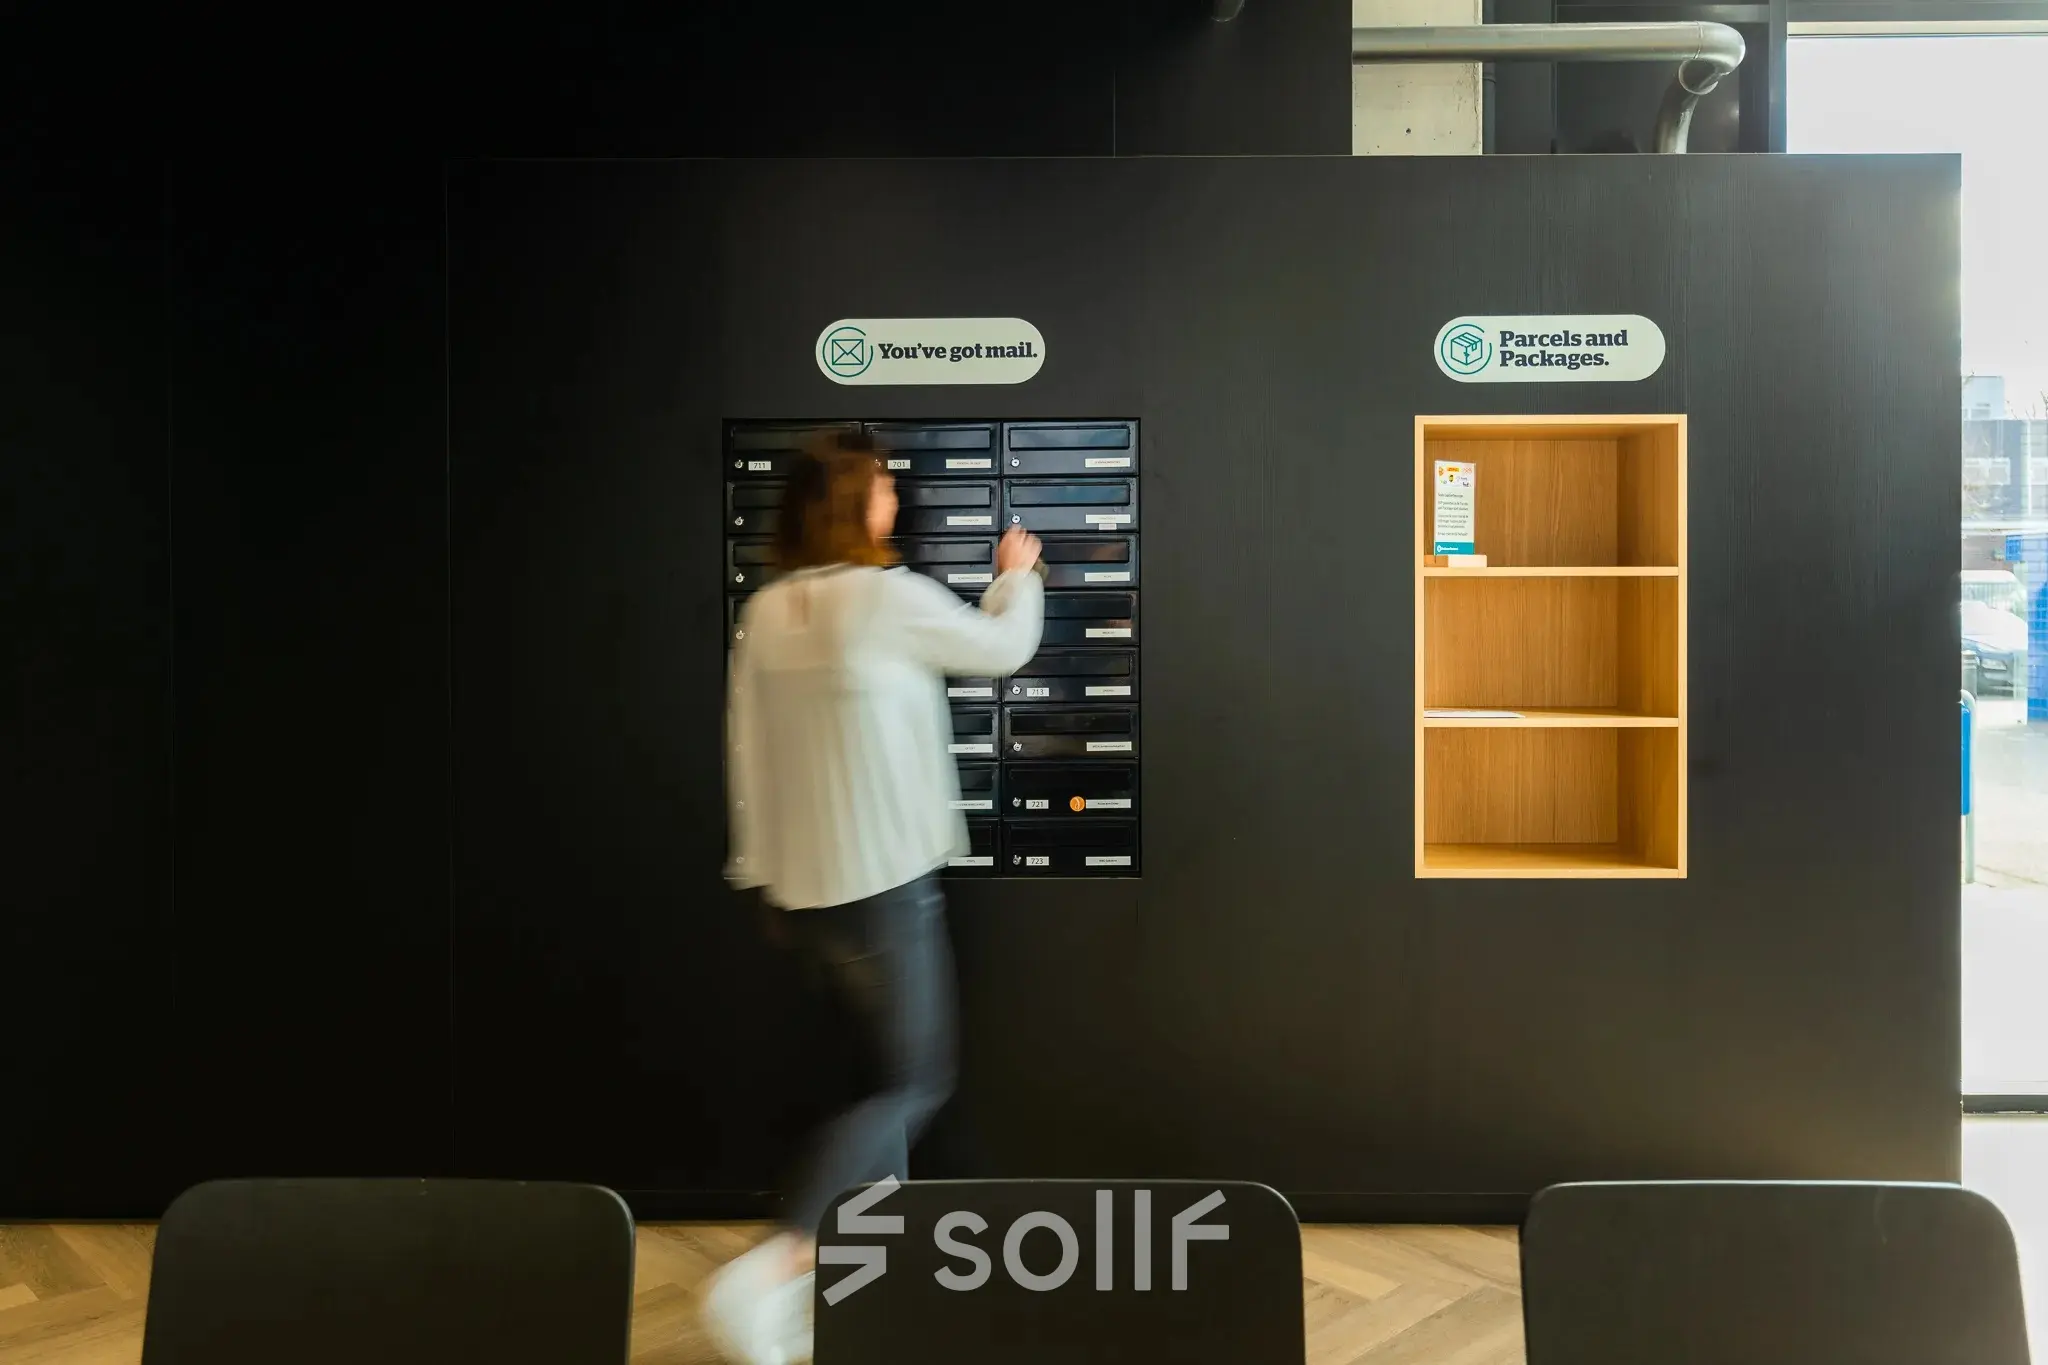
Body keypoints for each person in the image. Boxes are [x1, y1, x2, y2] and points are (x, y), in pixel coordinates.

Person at [701, 430, 1044, 1365]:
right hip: (886, 888)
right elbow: (1002, 648)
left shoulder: (768, 611)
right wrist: (1014, 574)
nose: (895, 499)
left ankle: (861, 1285)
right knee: (913, 1080)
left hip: (803, 895)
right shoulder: (886, 597)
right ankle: (775, 1267)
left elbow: (747, 757)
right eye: (884, 486)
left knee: (874, 1079)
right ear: (852, 503)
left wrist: (761, 875)